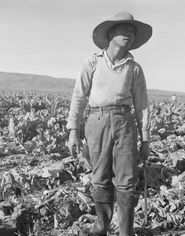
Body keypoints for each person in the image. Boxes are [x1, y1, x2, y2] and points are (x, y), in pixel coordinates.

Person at [66, 11, 152, 236]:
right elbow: (79, 96)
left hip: (124, 123)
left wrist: (145, 139)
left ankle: (125, 231)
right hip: (96, 121)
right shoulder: (92, 62)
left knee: (127, 179)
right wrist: (73, 131)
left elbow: (142, 105)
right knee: (100, 176)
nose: (129, 34)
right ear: (111, 33)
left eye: (132, 32)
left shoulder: (134, 68)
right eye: (124, 29)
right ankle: (102, 226)